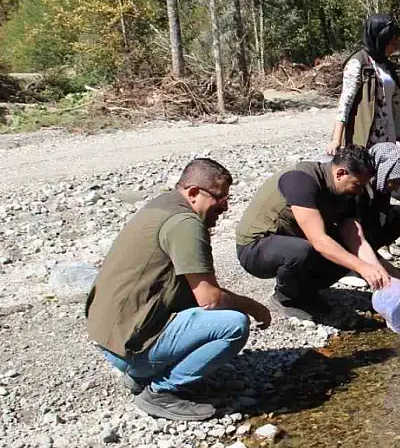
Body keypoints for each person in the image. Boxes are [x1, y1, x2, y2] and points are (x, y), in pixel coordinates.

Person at [86, 158, 272, 421]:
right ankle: (161, 392)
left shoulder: (163, 205)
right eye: (220, 198)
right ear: (194, 193)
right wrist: (254, 306)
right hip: (127, 348)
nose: (225, 206)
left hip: (112, 338)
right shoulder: (186, 223)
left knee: (208, 309)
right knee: (234, 324)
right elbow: (210, 298)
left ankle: (143, 373)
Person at [236, 146, 397, 321]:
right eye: (357, 185)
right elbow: (319, 240)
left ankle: (305, 292)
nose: (360, 191)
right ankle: (285, 299)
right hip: (256, 248)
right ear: (341, 173)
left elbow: (356, 239)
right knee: (303, 250)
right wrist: (361, 267)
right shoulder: (300, 180)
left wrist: (379, 272)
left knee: (342, 248)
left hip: (293, 239)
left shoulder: (347, 192)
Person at [327, 14, 400, 154]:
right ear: (379, 39)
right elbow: (345, 103)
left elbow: (393, 102)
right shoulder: (358, 63)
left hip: (389, 136)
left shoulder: (386, 65)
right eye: (391, 41)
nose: (396, 45)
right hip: (367, 137)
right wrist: (336, 139)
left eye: (396, 40)